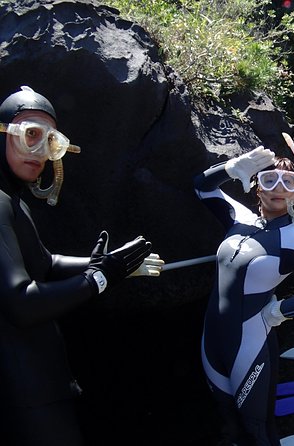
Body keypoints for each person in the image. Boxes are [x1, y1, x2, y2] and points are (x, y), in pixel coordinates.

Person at [0, 86, 160, 445]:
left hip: (38, 384)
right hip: (23, 394)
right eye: (30, 136)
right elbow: (21, 304)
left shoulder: (14, 202)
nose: (39, 152)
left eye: (50, 142)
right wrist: (99, 278)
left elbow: (45, 263)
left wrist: (108, 264)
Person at [194, 143, 294, 446]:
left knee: (258, 430)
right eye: (269, 179)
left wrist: (281, 311)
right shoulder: (239, 216)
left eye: (288, 182)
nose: (279, 187)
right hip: (212, 341)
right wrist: (231, 168)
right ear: (255, 186)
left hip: (250, 346)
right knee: (227, 423)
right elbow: (201, 185)